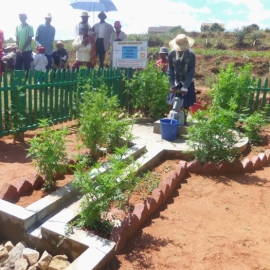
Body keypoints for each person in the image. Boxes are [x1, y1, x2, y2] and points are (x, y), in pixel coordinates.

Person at [167, 34, 196, 125]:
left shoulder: (191, 54)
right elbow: (170, 70)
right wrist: (172, 84)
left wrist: (185, 87)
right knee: (172, 102)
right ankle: (172, 121)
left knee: (186, 103)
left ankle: (185, 120)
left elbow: (191, 71)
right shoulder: (171, 54)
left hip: (187, 81)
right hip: (176, 80)